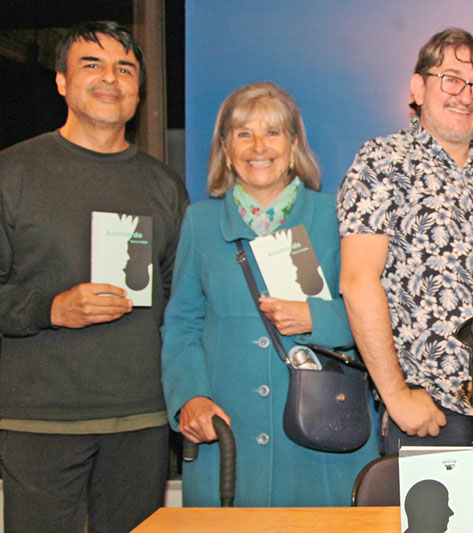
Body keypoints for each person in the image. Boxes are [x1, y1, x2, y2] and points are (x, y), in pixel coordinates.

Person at [0, 21, 188, 532]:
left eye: (125, 68)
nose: (111, 79)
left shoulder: (164, 185)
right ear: (61, 81)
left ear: (138, 89)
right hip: (41, 420)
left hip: (142, 419)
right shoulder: (9, 173)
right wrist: (51, 309)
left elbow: (181, 305)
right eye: (91, 65)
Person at [161, 82, 377, 506]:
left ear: (293, 144)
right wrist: (190, 396)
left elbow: (376, 311)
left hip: (320, 442)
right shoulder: (200, 223)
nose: (258, 146)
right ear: (225, 147)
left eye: (272, 132)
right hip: (228, 435)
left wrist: (319, 319)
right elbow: (182, 325)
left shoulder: (336, 216)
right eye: (243, 133)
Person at [337, 28, 473, 454]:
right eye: (450, 79)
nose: (465, 95)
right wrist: (396, 397)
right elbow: (358, 282)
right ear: (418, 88)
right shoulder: (381, 161)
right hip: (427, 409)